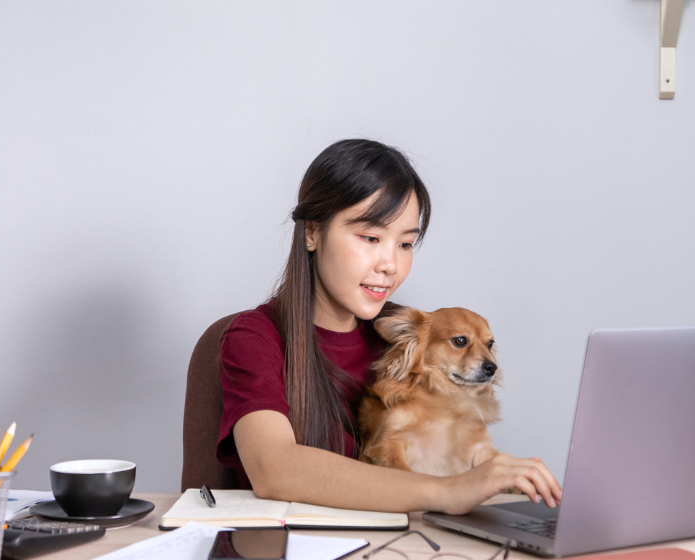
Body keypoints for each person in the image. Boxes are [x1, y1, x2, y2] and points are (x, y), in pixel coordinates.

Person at [217, 139, 562, 514]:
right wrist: (447, 492)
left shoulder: (412, 339)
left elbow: (457, 445)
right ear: (312, 232)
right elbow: (274, 469)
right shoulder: (254, 338)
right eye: (371, 238)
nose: (390, 265)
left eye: (405, 244)